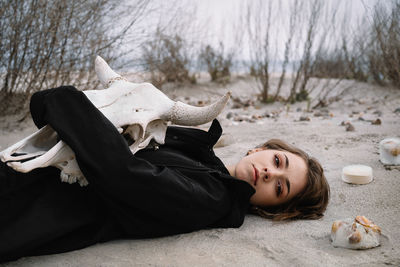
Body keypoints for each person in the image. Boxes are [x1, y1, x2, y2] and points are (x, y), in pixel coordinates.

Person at [0, 86, 329, 262]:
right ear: (258, 149)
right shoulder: (201, 154)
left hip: (28, 207)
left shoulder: (215, 200)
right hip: (27, 173)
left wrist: (64, 100)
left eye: (281, 188)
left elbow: (124, 175)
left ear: (271, 208)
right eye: (277, 161)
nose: (270, 173)